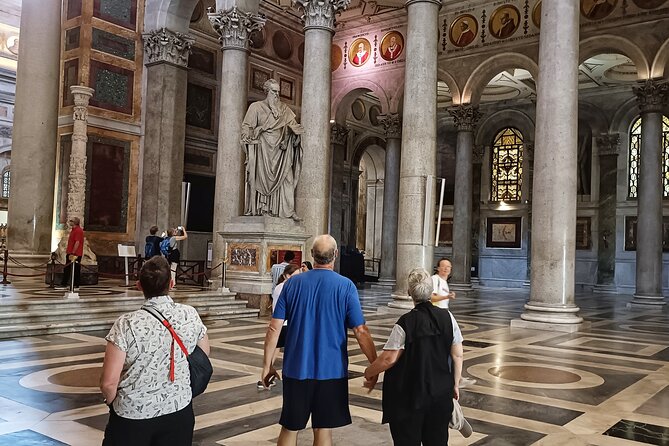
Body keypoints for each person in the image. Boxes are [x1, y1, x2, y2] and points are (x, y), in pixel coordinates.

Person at [261, 234, 378, 446]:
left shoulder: (291, 284)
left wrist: (267, 365)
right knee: (323, 429)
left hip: (296, 369)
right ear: (335, 255)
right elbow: (361, 330)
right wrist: (374, 365)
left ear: (312, 255)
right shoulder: (346, 286)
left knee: (290, 426)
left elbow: (274, 327)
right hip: (332, 370)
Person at [100, 256, 210, 446]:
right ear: (172, 283)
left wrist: (112, 403)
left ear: (139, 286)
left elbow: (109, 383)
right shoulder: (189, 314)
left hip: (133, 414)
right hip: (179, 409)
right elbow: (204, 353)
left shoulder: (126, 324)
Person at [363, 268, 464, 446]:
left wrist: (369, 371)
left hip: (409, 398)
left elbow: (389, 359)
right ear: (432, 292)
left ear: (410, 293)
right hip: (440, 393)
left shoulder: (405, 322)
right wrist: (455, 384)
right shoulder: (448, 317)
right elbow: (457, 355)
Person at [241, 78, 304, 220]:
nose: (276, 95)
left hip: (282, 151)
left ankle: (288, 210)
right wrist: (249, 135)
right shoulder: (256, 107)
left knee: (287, 178)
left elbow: (294, 126)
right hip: (263, 151)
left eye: (278, 92)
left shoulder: (284, 110)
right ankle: (262, 208)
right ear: (266, 92)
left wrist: (296, 134)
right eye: (273, 91)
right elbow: (246, 127)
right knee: (260, 181)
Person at [258, 263, 302, 390]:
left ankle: (267, 373)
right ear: (286, 276)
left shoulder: (279, 287)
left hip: (280, 324)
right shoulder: (288, 288)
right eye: (295, 276)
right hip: (286, 324)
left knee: (275, 350)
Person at [56, 216, 84, 291]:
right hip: (71, 252)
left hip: (75, 253)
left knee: (75, 269)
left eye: (71, 221)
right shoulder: (73, 230)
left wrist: (73, 252)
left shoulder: (78, 231)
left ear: (74, 222)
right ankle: (67, 283)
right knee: (68, 268)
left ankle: (73, 284)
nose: (69, 222)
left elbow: (77, 242)